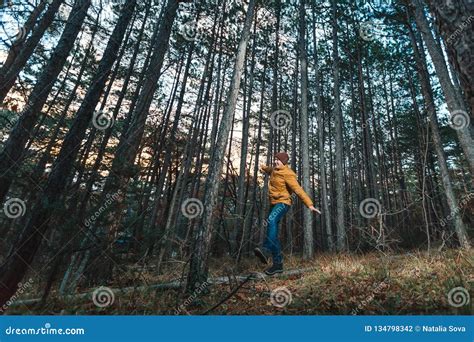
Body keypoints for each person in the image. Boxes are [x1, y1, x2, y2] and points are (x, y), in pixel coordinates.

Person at [254, 152, 320, 275]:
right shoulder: (274, 170)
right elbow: (269, 170)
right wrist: (262, 167)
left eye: (278, 160)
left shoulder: (288, 174)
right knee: (272, 231)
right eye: (275, 159)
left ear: (284, 162)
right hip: (274, 203)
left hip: (283, 203)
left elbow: (298, 190)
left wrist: (309, 205)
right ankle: (278, 265)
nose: (275, 162)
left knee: (271, 220)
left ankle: (266, 249)